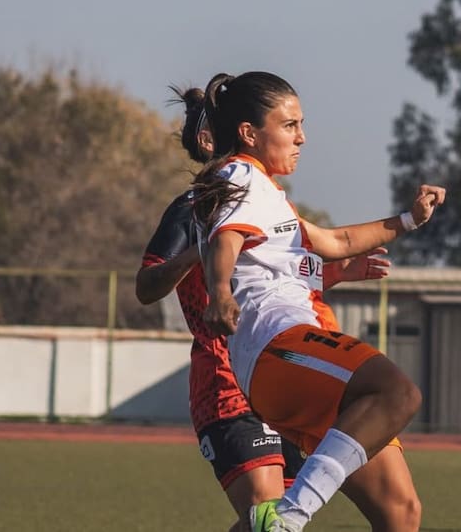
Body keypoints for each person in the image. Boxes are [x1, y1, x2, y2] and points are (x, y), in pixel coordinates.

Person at [193, 71, 446, 532]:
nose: (302, 137)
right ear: (249, 133)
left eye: (301, 124)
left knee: (400, 511)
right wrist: (221, 291)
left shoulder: (268, 194)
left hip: (289, 355)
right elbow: (224, 238)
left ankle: (279, 522)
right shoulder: (240, 175)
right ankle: (288, 519)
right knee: (398, 392)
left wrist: (410, 219)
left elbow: (337, 240)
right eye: (289, 125)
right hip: (277, 346)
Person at [135, 86, 392, 532]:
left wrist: (333, 274)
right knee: (268, 513)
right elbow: (145, 286)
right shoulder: (193, 207)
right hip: (225, 378)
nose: (298, 138)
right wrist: (202, 252)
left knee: (271, 521)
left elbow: (275, 279)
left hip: (276, 371)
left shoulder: (269, 201)